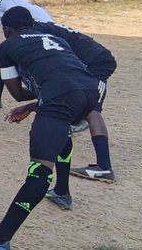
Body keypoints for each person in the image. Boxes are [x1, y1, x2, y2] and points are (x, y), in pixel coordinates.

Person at [0, 7, 98, 250]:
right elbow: (65, 75)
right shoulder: (57, 39)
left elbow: (17, 92)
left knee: (40, 169)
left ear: (6, 29)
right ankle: (62, 192)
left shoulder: (6, 47)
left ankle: (0, 239)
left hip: (61, 95)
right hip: (89, 92)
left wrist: (37, 99)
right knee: (59, 130)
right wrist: (39, 101)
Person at [31, 20, 116, 189]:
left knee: (93, 111)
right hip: (89, 59)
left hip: (95, 61)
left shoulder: (37, 32)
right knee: (85, 106)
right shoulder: (42, 26)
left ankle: (104, 167)